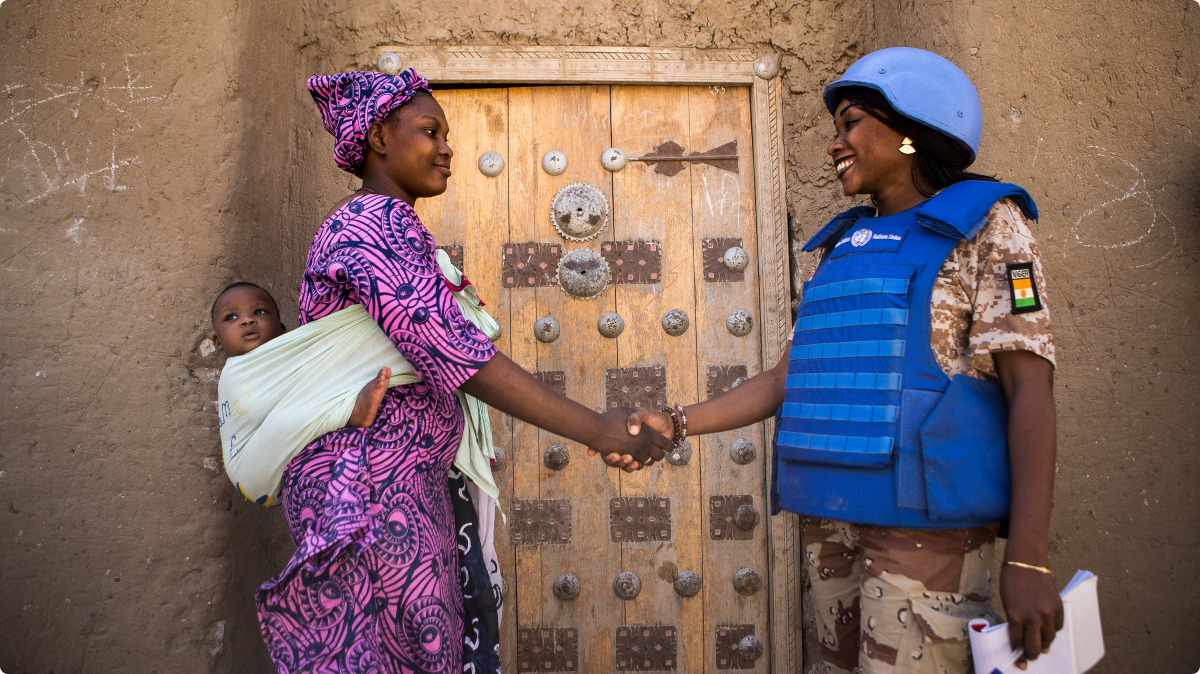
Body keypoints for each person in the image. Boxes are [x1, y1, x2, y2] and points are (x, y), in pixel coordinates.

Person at [611, 47, 1063, 673]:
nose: (835, 143)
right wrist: (677, 422)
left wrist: (1029, 557)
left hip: (925, 534)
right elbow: (791, 377)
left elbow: (1031, 390)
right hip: (831, 521)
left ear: (911, 131)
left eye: (850, 123)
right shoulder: (843, 246)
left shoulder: (990, 225)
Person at [255, 69, 670, 674]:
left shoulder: (389, 226)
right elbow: (453, 351)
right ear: (377, 136)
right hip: (376, 489)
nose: (447, 147)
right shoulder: (371, 226)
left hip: (387, 480)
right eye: (430, 131)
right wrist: (597, 429)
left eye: (446, 133)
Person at [210, 281, 392, 430]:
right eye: (231, 317)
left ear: (281, 330)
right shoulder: (231, 378)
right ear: (218, 342)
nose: (247, 320)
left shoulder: (299, 358)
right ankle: (350, 414)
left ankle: (351, 411)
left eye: (259, 312)